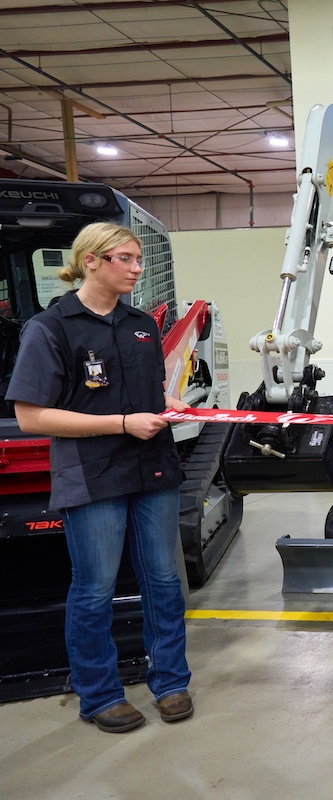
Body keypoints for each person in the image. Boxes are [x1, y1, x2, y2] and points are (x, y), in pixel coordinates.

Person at [6, 222, 192, 733]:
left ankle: (171, 682)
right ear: (91, 260)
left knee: (163, 581)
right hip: (92, 475)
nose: (137, 268)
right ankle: (99, 693)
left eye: (138, 260)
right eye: (126, 259)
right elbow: (31, 417)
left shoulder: (142, 325)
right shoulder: (51, 327)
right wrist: (123, 424)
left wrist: (167, 404)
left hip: (152, 469)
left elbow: (147, 390)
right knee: (94, 588)